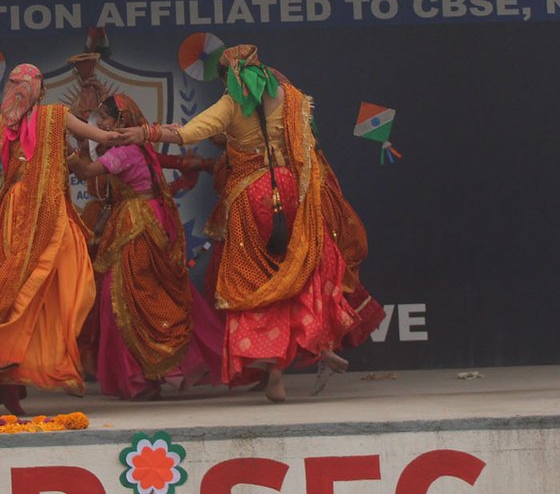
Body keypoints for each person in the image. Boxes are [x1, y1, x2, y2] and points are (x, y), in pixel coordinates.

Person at [135, 44, 384, 402]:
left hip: (251, 198)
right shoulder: (289, 97)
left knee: (255, 283)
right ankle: (319, 340)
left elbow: (189, 133)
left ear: (227, 77)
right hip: (290, 188)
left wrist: (146, 133)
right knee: (300, 269)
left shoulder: (230, 104)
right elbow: (308, 141)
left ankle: (274, 369)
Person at [0, 63, 118, 408]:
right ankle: (28, 362)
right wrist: (151, 134)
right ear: (41, 91)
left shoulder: (0, 123)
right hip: (45, 212)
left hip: (19, 210)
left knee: (17, 291)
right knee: (63, 285)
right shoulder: (56, 116)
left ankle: (36, 364)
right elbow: (104, 138)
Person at [69, 93, 224, 400]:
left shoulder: (123, 152)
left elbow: (86, 173)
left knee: (124, 298)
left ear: (120, 121)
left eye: (104, 118)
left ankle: (146, 376)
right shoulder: (138, 146)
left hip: (136, 226)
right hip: (147, 221)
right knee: (148, 293)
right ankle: (154, 373)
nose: (100, 123)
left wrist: (65, 153)